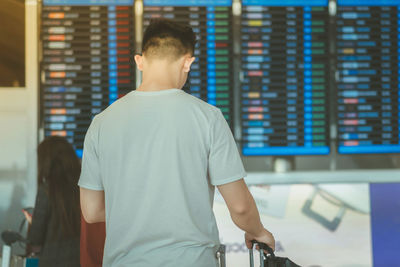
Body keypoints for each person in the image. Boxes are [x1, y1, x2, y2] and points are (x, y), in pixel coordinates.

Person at [79, 18, 275, 266]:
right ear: (187, 62)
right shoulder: (207, 117)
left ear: (139, 61)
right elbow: (240, 207)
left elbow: (92, 211)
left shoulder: (101, 123)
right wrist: (257, 232)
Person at [27, 136, 80, 267]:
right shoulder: (84, 187)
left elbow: (35, 240)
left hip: (52, 261)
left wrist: (31, 225)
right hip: (83, 260)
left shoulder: (47, 190)